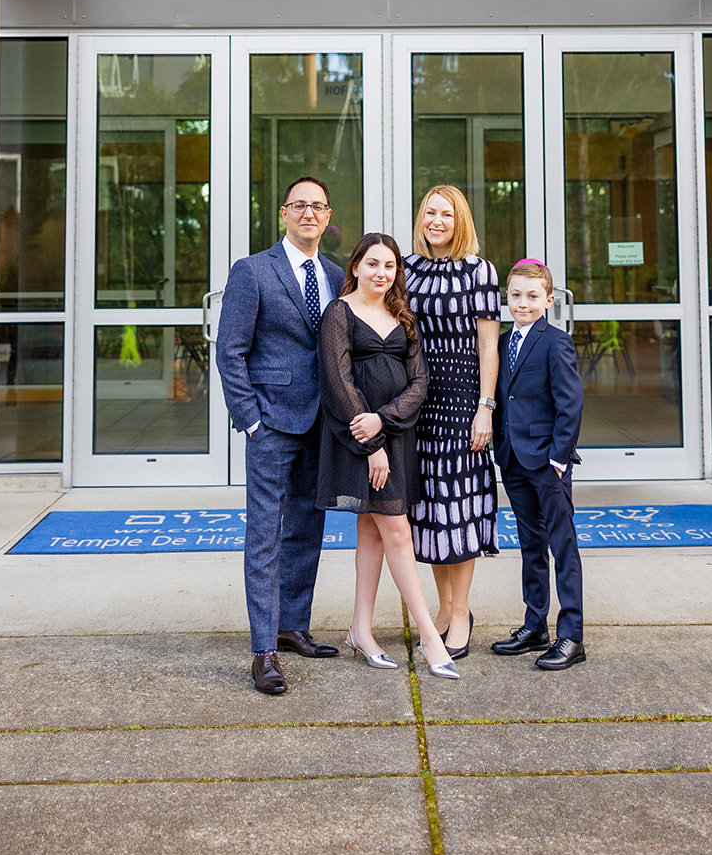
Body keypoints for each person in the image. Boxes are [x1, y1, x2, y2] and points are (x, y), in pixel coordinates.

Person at [214, 175, 345, 696]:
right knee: (265, 534)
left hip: (322, 424)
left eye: (318, 207)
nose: (309, 213)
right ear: (284, 213)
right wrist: (249, 417)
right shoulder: (252, 271)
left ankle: (293, 626)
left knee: (308, 530)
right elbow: (231, 350)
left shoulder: (337, 274)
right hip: (270, 422)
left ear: (328, 217)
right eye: (299, 205)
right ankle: (263, 649)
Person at [316, 233, 459, 680]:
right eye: (373, 264)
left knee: (372, 532)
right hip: (358, 438)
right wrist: (370, 439)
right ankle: (430, 636)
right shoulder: (338, 313)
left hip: (396, 435)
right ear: (355, 266)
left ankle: (360, 628)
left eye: (391, 266)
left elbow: (420, 382)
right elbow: (339, 380)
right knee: (396, 531)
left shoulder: (403, 315)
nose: (382, 273)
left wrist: (386, 421)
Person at [405, 184, 500, 659]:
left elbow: (488, 346)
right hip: (420, 399)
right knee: (432, 511)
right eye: (429, 213)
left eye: (445, 213)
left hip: (463, 400)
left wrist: (486, 406)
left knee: (459, 508)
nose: (436, 221)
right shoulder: (408, 268)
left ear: (460, 220)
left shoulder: (480, 271)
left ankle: (460, 612)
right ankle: (443, 609)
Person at [490, 260, 586, 671]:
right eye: (515, 295)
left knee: (562, 545)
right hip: (513, 457)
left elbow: (570, 403)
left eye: (532, 296)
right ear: (506, 297)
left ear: (548, 300)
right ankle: (535, 625)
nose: (522, 303)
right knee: (530, 544)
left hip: (547, 461)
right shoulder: (500, 341)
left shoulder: (555, 341)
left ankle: (572, 635)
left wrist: (559, 458)